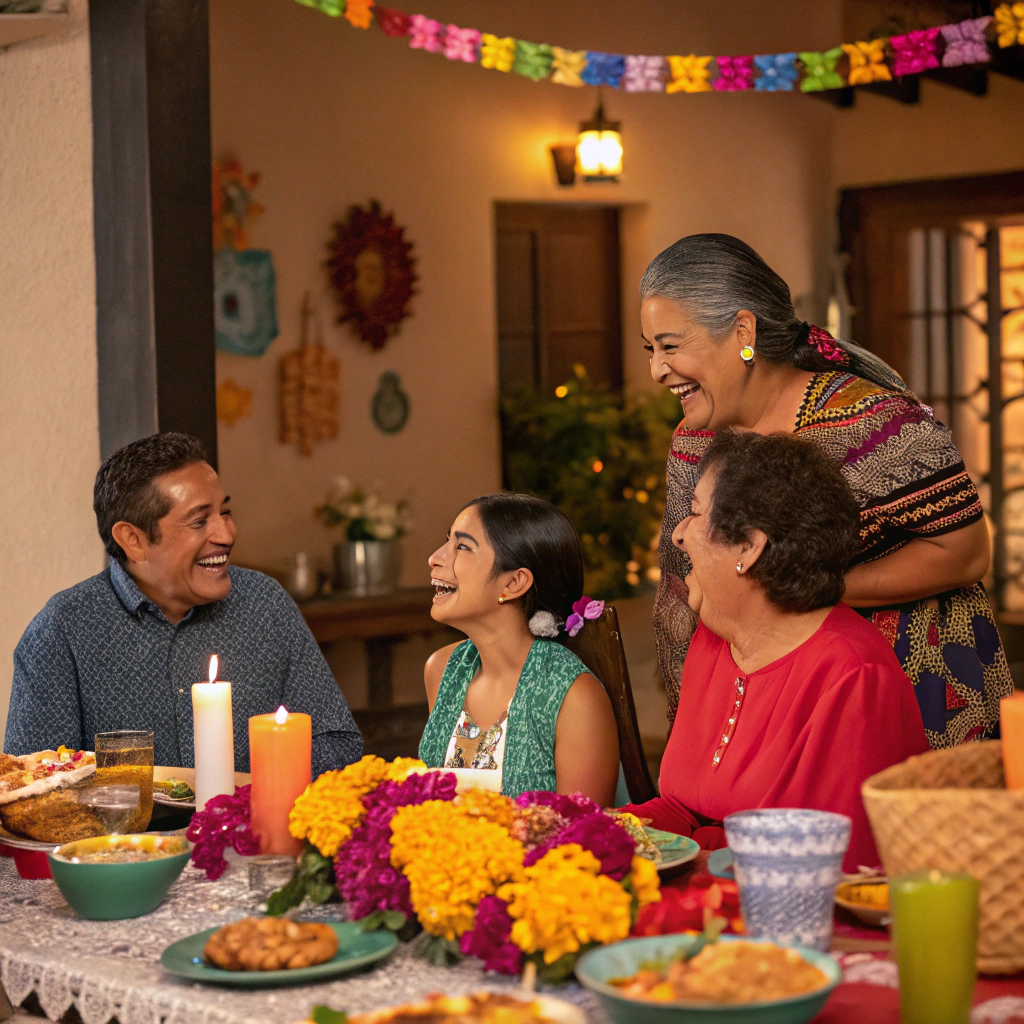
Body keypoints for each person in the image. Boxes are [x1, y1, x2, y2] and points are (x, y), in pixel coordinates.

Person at [643, 233, 1013, 748]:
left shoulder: (870, 422)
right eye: (651, 349)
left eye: (670, 346)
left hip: (914, 688)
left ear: (743, 330)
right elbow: (690, 583)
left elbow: (966, 554)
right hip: (772, 699)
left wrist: (799, 591)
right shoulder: (693, 443)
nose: (657, 370)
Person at [622, 430, 930, 871]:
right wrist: (598, 831)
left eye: (694, 515)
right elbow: (683, 808)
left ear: (749, 546)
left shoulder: (852, 675)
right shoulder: (714, 639)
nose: (679, 536)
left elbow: (828, 870)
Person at [5, 433, 362, 777]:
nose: (225, 534)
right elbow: (32, 789)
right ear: (133, 540)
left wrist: (251, 784)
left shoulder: (265, 605)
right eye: (199, 521)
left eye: (225, 512)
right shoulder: (64, 630)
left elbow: (339, 748)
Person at [418, 493, 619, 804]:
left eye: (462, 546)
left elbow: (585, 836)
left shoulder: (573, 696)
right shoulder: (443, 669)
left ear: (514, 583)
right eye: (448, 541)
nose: (435, 557)